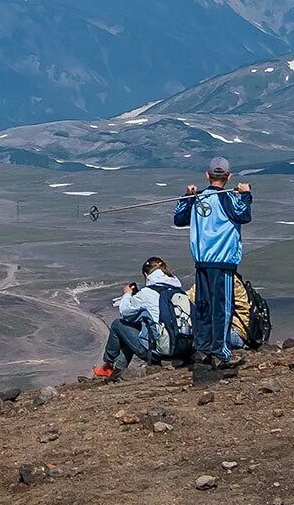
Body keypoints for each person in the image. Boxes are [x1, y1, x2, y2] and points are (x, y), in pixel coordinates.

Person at [173, 157, 253, 366]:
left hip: (201, 260)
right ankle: (220, 352)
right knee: (222, 307)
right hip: (223, 261)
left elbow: (179, 219)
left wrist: (187, 196)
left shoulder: (198, 199)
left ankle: (202, 348)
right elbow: (243, 215)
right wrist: (246, 194)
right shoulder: (229, 199)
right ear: (228, 177)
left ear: (207, 175)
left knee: (203, 306)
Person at [93, 256, 189, 378]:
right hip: (184, 347)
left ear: (146, 274)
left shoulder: (147, 293)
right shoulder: (179, 291)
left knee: (118, 324)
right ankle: (117, 369)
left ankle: (108, 364)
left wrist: (127, 294)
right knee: (133, 328)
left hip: (163, 351)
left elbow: (125, 312)